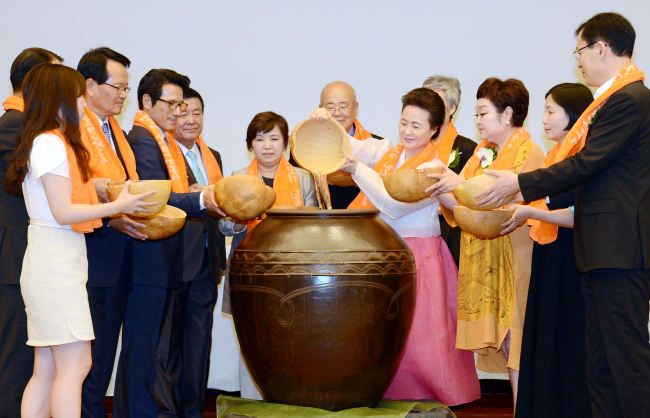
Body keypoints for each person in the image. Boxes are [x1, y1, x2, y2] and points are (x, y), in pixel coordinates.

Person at [474, 12, 650, 417]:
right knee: (600, 363)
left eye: (581, 51)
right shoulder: (615, 100)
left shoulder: (629, 99)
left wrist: (519, 183)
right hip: (601, 249)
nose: (580, 60)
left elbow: (586, 163)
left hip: (619, 250)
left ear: (601, 48)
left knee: (626, 361)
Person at [312, 88, 480, 406]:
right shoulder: (391, 153)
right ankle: (393, 398)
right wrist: (325, 121)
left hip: (422, 256)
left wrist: (356, 170)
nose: (407, 131)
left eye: (417, 126)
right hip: (387, 252)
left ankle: (431, 400)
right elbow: (352, 145)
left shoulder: (435, 166)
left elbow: (393, 206)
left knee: (422, 338)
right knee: (390, 335)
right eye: (404, 122)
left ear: (435, 129)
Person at [4, 63, 154, 418]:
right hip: (55, 262)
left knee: (49, 370)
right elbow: (63, 212)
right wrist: (121, 205)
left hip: (52, 258)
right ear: (62, 100)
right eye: (79, 94)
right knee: (75, 366)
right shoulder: (52, 143)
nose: (84, 102)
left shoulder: (44, 140)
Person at [428, 78, 545, 407]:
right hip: (487, 258)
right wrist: (440, 187)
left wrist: (457, 184)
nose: (477, 121)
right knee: (507, 343)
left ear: (507, 114)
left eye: (482, 113)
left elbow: (498, 202)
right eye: (476, 114)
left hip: (516, 254)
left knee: (518, 338)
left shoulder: (529, 151)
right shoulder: (482, 155)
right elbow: (463, 206)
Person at [113, 69, 221, 418]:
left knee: (177, 349)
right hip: (155, 257)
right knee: (152, 351)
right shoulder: (145, 139)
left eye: (183, 105)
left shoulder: (186, 147)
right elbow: (157, 197)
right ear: (147, 102)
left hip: (188, 260)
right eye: (172, 104)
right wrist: (202, 198)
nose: (178, 112)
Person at [499, 83, 593, 417]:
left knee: (567, 342)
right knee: (545, 340)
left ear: (574, 114)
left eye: (551, 110)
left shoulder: (584, 158)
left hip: (570, 259)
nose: (543, 119)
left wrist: (530, 212)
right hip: (548, 254)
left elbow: (579, 216)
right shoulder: (557, 155)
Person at [220, 111, 318, 400]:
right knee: (251, 337)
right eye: (259, 139)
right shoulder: (238, 177)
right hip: (249, 270)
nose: (267, 145)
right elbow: (225, 225)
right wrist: (240, 217)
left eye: (274, 138)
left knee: (294, 336)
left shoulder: (303, 178)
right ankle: (251, 401)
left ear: (285, 143)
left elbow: (315, 219)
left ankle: (291, 398)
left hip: (293, 272)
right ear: (250, 144)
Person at [76, 47, 141, 418]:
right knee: (89, 356)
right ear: (89, 84)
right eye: (117, 86)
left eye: (125, 88)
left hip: (119, 255)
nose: (122, 95)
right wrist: (110, 214)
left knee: (104, 356)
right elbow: (75, 186)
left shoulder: (114, 128)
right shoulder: (72, 126)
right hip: (91, 253)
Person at [0, 47, 62, 418]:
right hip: (15, 257)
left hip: (30, 256)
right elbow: (22, 186)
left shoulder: (29, 125)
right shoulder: (13, 124)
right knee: (17, 357)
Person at [157, 87, 226, 418]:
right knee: (169, 344)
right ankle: (168, 411)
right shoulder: (162, 153)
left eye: (197, 112)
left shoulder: (212, 155)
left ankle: (193, 409)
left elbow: (221, 210)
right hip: (173, 261)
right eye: (183, 112)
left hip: (206, 262)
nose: (191, 119)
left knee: (199, 344)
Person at [292, 81, 389, 208]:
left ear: (355, 108)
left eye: (343, 106)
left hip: (366, 222)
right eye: (330, 107)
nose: (337, 113)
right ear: (321, 109)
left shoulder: (377, 147)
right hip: (320, 222)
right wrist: (311, 125)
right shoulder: (304, 148)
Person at [422, 76, 477, 265]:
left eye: (437, 103)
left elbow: (473, 197)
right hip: (418, 237)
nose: (429, 109)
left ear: (452, 109)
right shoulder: (412, 147)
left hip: (452, 239)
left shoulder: (470, 149)